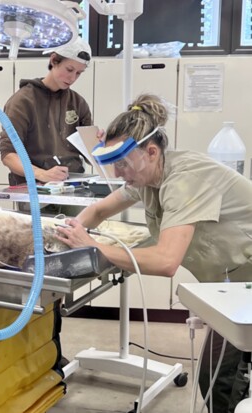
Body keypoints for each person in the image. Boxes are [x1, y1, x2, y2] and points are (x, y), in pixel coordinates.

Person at [55, 93, 252, 412]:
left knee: (221, 379)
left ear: (151, 151)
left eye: (123, 163)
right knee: (218, 376)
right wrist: (62, 232)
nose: (119, 173)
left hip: (244, 288)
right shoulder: (146, 177)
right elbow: (100, 210)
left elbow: (165, 261)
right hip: (233, 289)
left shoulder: (185, 178)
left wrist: (94, 246)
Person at [0, 36, 93, 187]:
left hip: (72, 187)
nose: (72, 78)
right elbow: (8, 155)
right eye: (69, 69)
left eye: (78, 73)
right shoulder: (22, 102)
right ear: (54, 60)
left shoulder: (78, 103)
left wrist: (100, 145)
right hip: (35, 189)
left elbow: (91, 154)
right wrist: (42, 174)